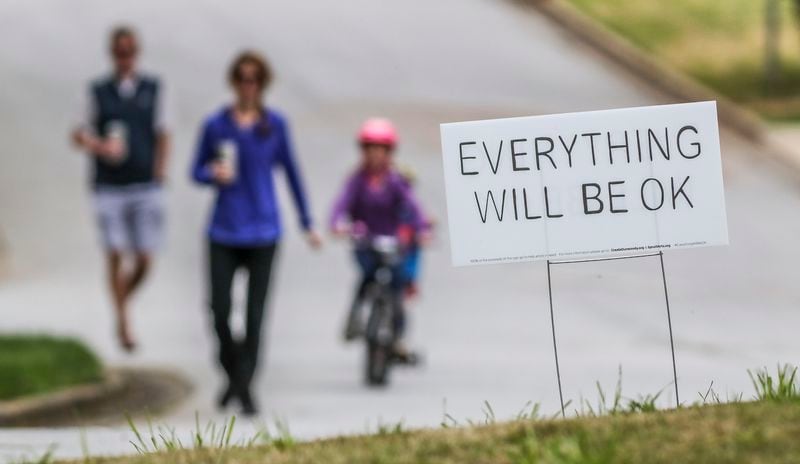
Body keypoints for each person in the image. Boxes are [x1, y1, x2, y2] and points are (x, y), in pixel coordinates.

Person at [191, 51, 321, 416]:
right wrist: (211, 173)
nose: (248, 86)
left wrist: (307, 222)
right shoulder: (217, 125)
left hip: (264, 229)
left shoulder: (275, 125)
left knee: (255, 315)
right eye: (242, 79)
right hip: (224, 229)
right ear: (234, 83)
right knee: (218, 309)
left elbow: (292, 173)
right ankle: (232, 371)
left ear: (263, 85)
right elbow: (195, 171)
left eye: (255, 79)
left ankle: (245, 387)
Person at [71, 26, 171, 352]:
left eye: (129, 51)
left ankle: (121, 301)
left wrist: (160, 171)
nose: (124, 57)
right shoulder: (97, 91)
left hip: (144, 184)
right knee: (114, 250)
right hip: (109, 187)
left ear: (137, 53)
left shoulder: (153, 88)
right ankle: (124, 321)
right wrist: (100, 147)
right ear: (112, 54)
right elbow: (78, 133)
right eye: (119, 51)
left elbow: (164, 132)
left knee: (144, 257)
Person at [329, 118, 431, 358]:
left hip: (392, 243)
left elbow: (413, 208)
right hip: (366, 241)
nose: (375, 155)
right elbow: (340, 205)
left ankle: (398, 335)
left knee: (398, 286)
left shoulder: (396, 181)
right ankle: (354, 318)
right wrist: (337, 225)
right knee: (366, 278)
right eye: (370, 149)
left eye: (380, 150)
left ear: (389, 152)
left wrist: (423, 229)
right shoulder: (357, 181)